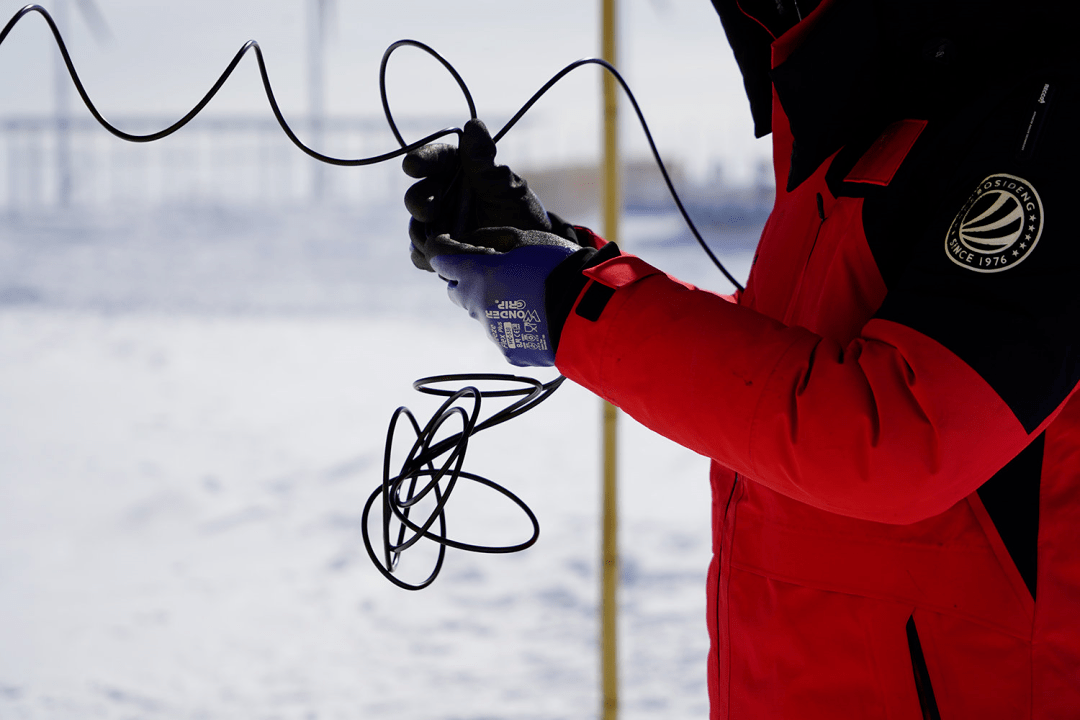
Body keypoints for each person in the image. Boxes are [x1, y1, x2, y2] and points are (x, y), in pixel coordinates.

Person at [402, 0, 1078, 716]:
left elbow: (900, 432)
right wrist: (575, 266)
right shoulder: (862, 120)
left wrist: (575, 306)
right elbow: (783, 366)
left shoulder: (1048, 113)